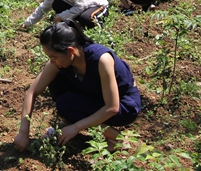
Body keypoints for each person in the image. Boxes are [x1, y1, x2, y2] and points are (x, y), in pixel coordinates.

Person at [14, 21, 141, 152]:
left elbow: (112, 107)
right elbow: (32, 92)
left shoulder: (101, 59)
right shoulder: (64, 60)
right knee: (56, 80)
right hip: (97, 96)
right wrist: (23, 132)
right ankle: (70, 120)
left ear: (70, 51)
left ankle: (116, 139)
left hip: (123, 106)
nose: (51, 61)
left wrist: (76, 127)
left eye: (53, 57)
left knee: (65, 104)